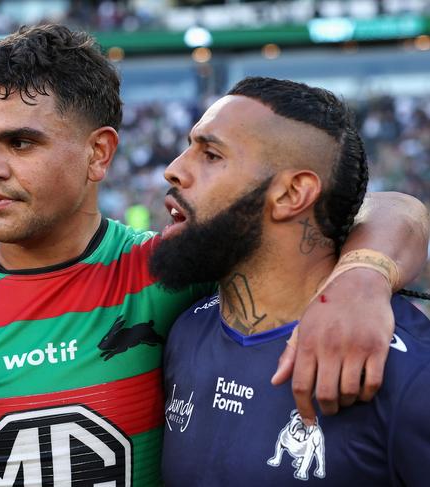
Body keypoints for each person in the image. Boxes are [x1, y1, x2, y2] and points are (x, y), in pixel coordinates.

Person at [0, 25, 428, 486]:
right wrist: (363, 276)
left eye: (20, 142)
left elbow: (376, 206)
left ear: (99, 154)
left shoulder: (167, 278)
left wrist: (361, 278)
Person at [158, 77, 430, 486]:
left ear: (291, 194)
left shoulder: (407, 371)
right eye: (189, 147)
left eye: (211, 154)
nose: (174, 169)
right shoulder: (187, 328)